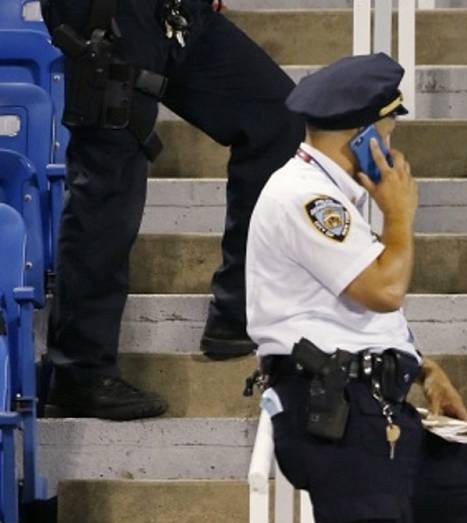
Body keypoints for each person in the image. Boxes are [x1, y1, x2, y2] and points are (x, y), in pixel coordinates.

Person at [246, 52, 467, 523]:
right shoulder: (303, 196)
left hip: (381, 408)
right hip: (339, 417)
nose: (394, 146)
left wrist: (426, 368)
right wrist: (399, 217)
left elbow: (353, 317)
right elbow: (383, 289)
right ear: (361, 138)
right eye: (388, 128)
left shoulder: (336, 200)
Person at [40, 0, 305, 420]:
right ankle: (79, 372)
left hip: (176, 11)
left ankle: (238, 315)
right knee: (107, 185)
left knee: (276, 115)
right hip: (108, 14)